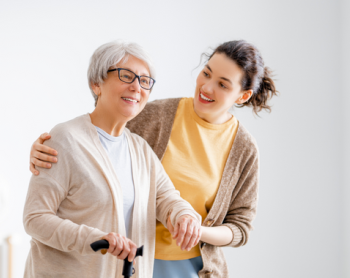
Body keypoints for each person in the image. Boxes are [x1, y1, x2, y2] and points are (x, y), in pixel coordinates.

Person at [29, 40, 278, 277]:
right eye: (206, 73)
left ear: (242, 95)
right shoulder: (153, 115)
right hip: (113, 261)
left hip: (168, 264)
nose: (208, 87)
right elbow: (93, 132)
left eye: (223, 84)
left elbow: (168, 197)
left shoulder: (142, 149)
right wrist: (46, 144)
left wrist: (189, 222)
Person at [23, 41, 202, 278]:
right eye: (126, 76)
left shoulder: (141, 150)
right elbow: (35, 218)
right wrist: (95, 239)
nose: (137, 87)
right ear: (96, 83)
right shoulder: (64, 139)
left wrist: (184, 216)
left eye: (145, 81)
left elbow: (167, 198)